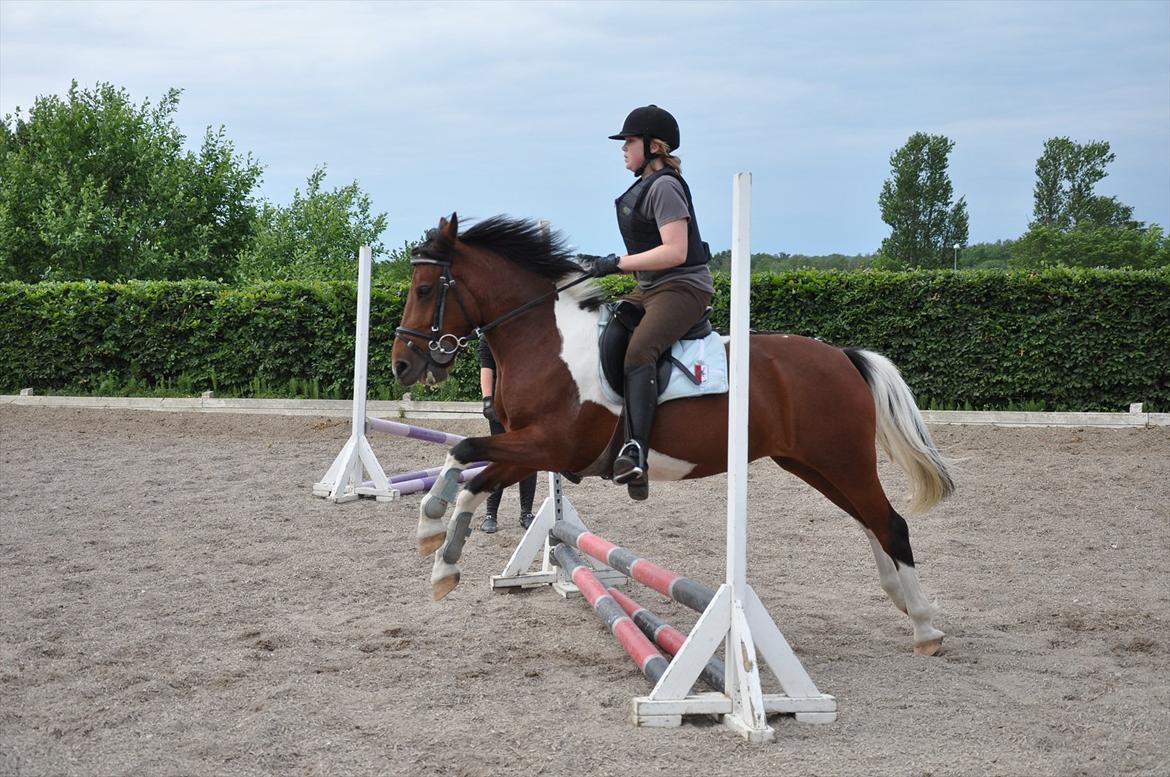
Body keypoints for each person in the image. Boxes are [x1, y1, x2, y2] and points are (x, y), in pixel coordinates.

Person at [577, 105, 715, 501]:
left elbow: (674, 251)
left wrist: (612, 264)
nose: (623, 149)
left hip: (682, 287)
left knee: (640, 351)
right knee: (614, 330)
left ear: (653, 146)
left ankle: (636, 452)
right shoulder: (645, 187)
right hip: (650, 288)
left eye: (629, 141)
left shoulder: (666, 186)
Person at [478, 337, 537, 532]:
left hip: (526, 402)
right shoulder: (488, 337)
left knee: (528, 458)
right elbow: (486, 368)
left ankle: (526, 512)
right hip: (500, 404)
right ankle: (491, 513)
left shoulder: (527, 333)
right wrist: (487, 399)